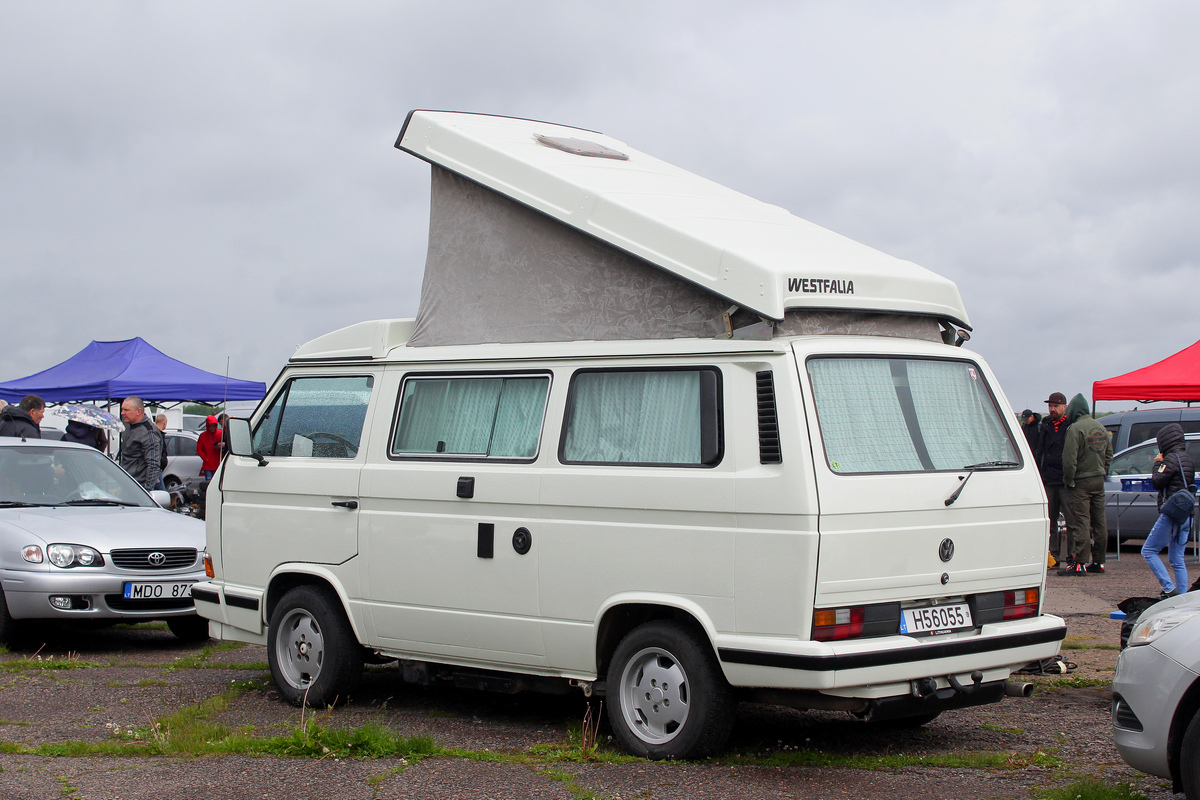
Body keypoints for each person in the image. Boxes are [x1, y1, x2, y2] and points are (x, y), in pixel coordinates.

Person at [1059, 393, 1114, 576]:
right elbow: (1109, 454)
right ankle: (1099, 561)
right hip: (1098, 480)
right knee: (1100, 522)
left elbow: (1069, 460)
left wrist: (1069, 480)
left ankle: (1079, 563)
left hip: (1081, 482)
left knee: (1081, 522)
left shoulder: (1075, 429)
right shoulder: (1101, 427)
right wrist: (1102, 470)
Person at [1141, 423, 1195, 598]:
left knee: (1148, 551)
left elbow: (1157, 481)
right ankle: (1183, 597)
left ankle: (1169, 588)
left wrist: (1157, 464)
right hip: (1186, 514)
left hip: (1171, 513)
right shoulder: (1186, 458)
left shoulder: (1170, 459)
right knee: (1177, 559)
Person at [1036, 393, 1071, 565]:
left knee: (1070, 519)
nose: (1052, 409)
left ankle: (1071, 555)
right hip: (1049, 477)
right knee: (1050, 519)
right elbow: (1039, 450)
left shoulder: (1070, 425)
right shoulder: (1046, 424)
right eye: (1050, 406)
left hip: (1064, 478)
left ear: (1064, 406)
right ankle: (1053, 555)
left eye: (1055, 406)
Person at [119, 396, 163, 492]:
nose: (122, 413)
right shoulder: (130, 427)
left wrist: (146, 492)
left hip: (139, 487)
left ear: (138, 411)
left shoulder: (149, 432)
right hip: (127, 484)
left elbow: (153, 465)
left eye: (126, 410)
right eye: (122, 409)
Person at [196, 415, 223, 480]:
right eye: (210, 426)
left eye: (214, 426)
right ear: (207, 426)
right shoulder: (203, 435)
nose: (212, 428)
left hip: (219, 464)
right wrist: (206, 458)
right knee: (209, 483)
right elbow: (199, 449)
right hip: (208, 465)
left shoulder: (221, 433)